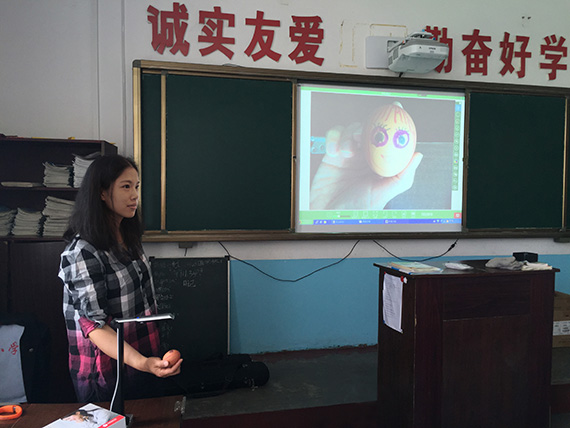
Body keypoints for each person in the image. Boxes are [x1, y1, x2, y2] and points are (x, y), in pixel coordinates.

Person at [58, 154, 182, 403]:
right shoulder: (83, 252)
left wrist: (147, 361)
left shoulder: (128, 238)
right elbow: (95, 326)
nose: (134, 195)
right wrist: (142, 362)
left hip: (142, 354)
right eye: (126, 187)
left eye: (136, 186)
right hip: (106, 371)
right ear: (102, 192)